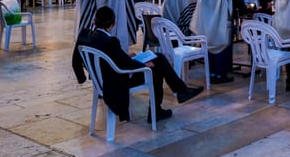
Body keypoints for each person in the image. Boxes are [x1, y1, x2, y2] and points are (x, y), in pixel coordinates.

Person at [72, 6, 202, 122]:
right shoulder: (111, 42)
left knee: (158, 59)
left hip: (101, 81)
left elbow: (76, 61)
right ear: (113, 23)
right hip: (116, 83)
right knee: (156, 66)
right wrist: (144, 66)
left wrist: (82, 78)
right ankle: (164, 104)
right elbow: (126, 65)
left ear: (95, 22)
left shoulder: (84, 35)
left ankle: (179, 92)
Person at [191, 0, 251, 84]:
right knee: (222, 44)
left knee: (211, 44)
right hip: (222, 18)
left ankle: (212, 72)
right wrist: (246, 9)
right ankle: (221, 74)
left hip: (208, 19)